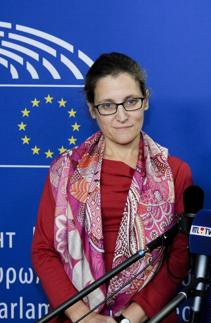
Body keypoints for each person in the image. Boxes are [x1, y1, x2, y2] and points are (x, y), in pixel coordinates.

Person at [31, 52, 192, 323]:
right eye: (107, 105)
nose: (121, 116)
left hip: (148, 317)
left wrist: (129, 318)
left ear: (146, 100)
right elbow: (44, 250)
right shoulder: (66, 169)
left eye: (131, 102)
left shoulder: (175, 173)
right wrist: (83, 316)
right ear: (93, 110)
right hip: (74, 316)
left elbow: (179, 257)